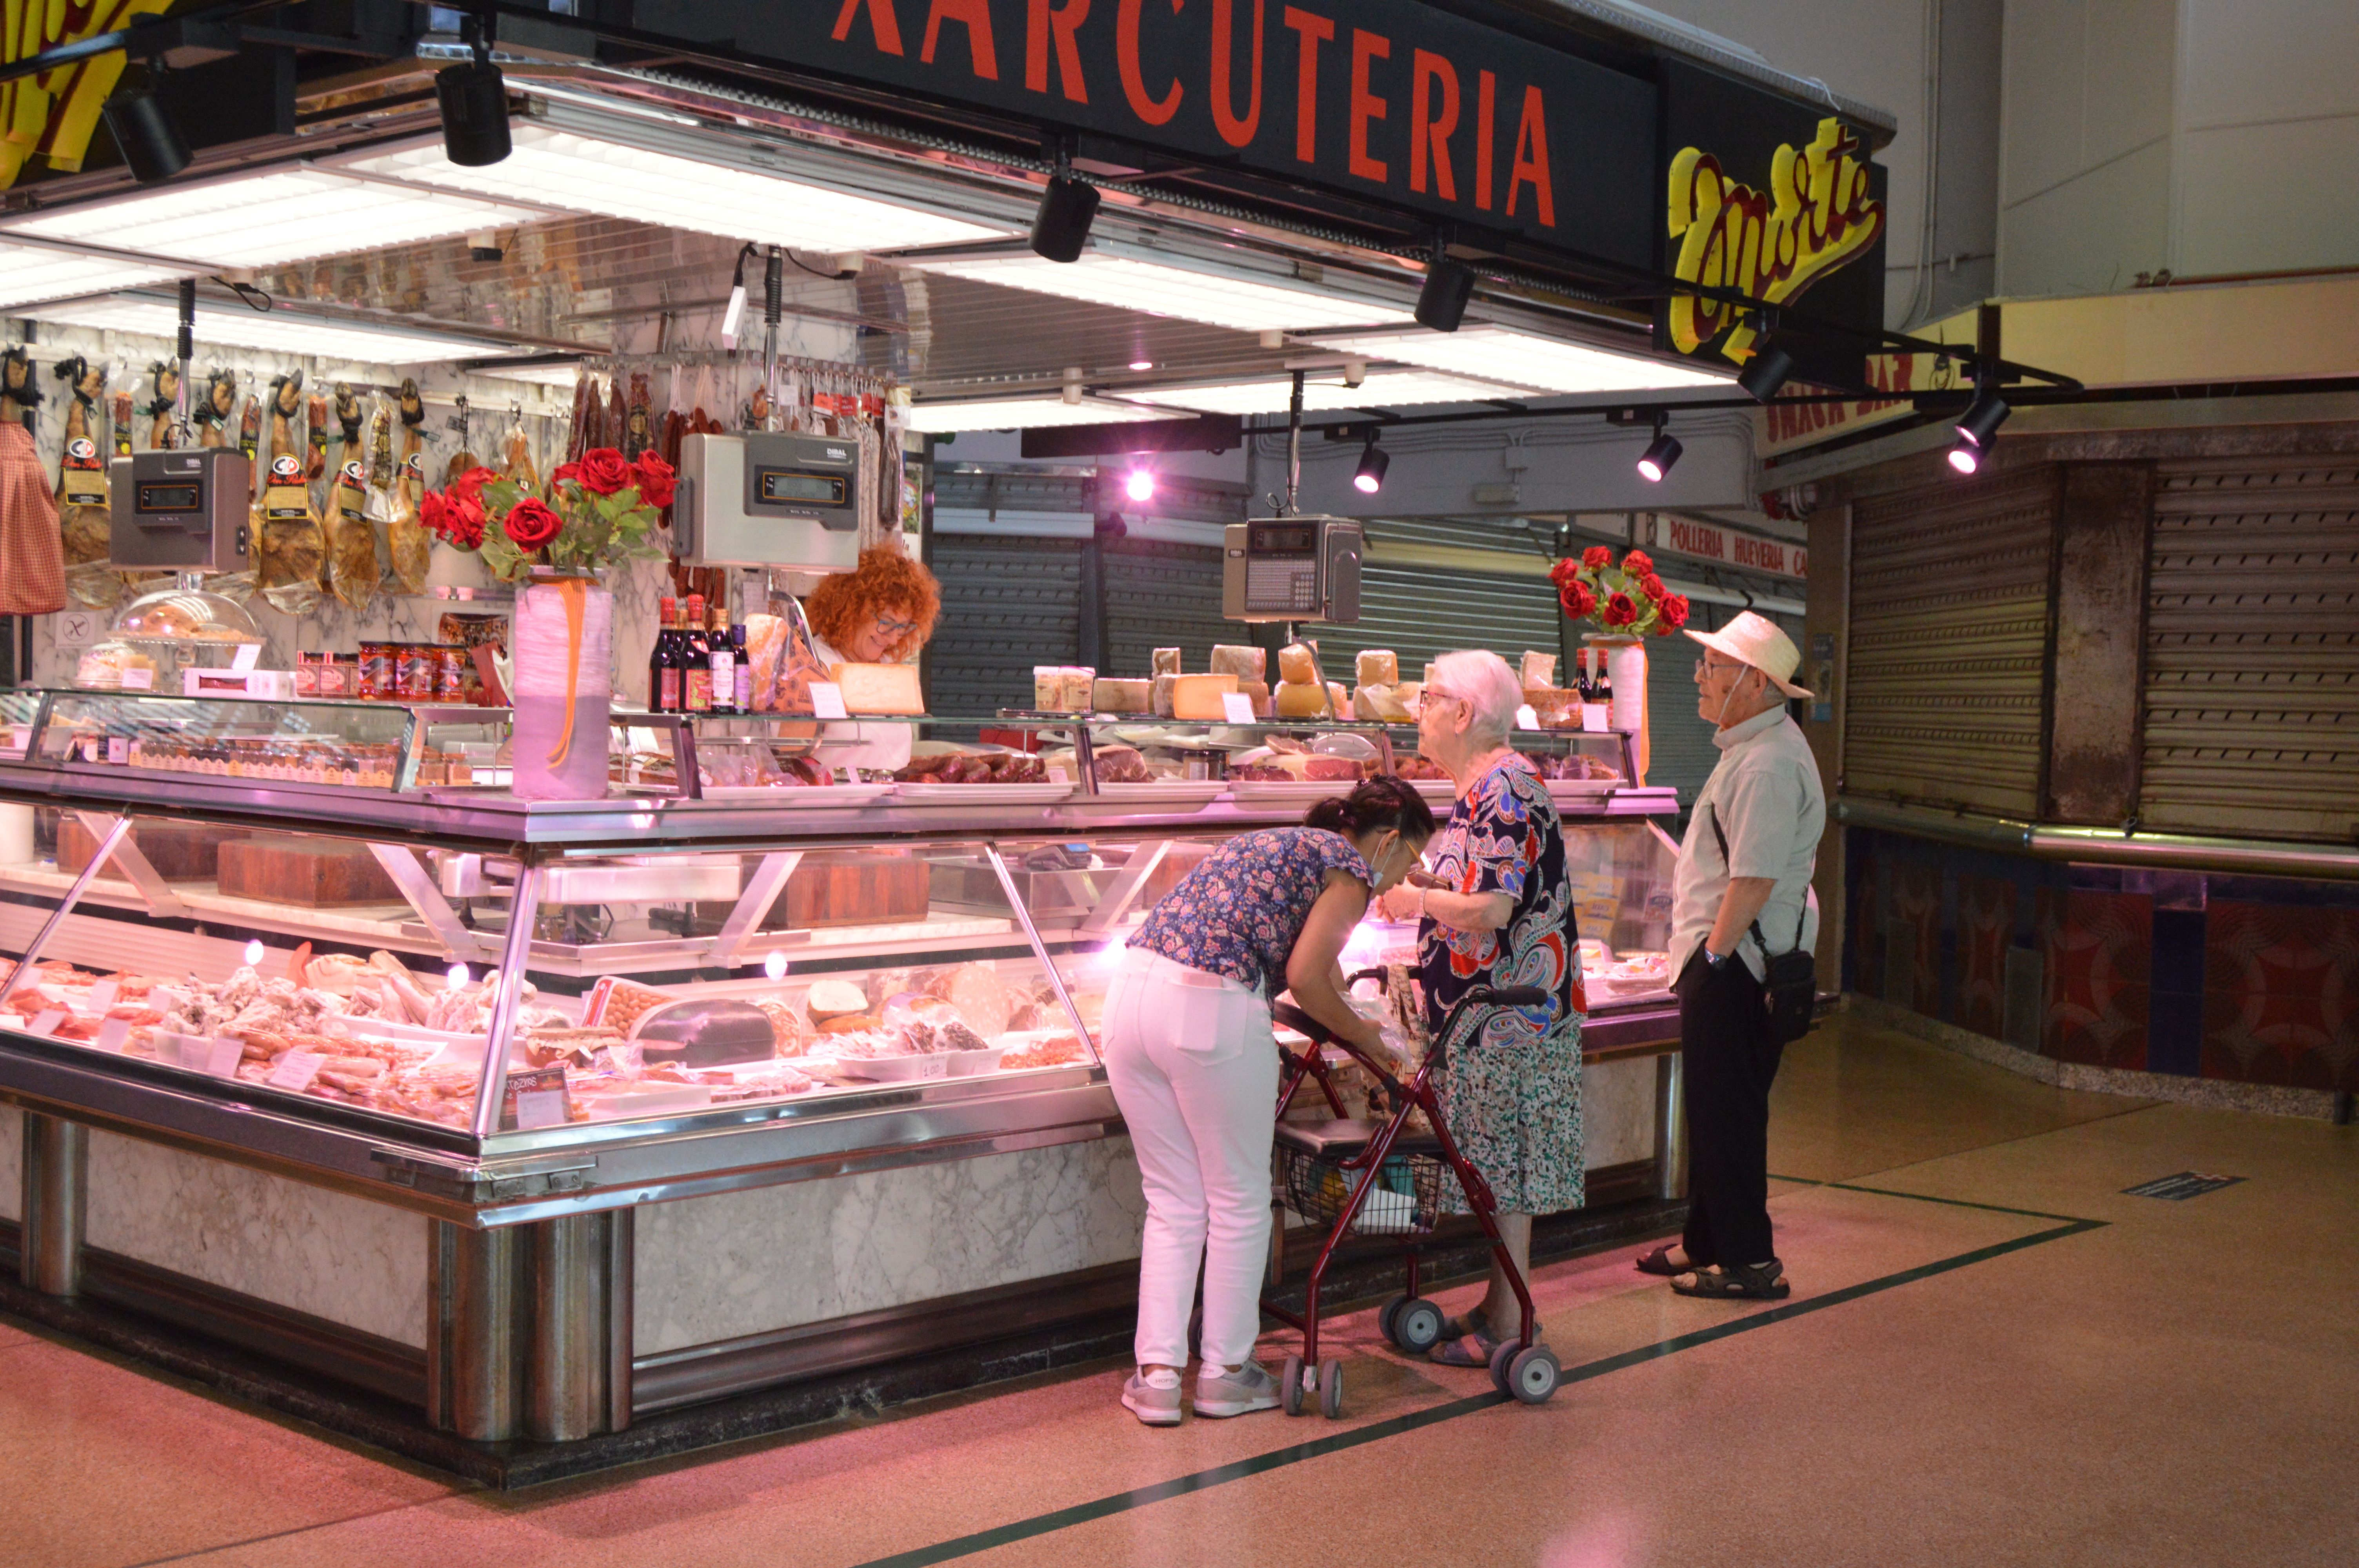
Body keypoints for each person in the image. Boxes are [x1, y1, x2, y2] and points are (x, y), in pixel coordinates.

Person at [1107, 778, 1436, 1426]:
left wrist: (1345, 1007)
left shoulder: (1282, 843)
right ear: (1390, 841)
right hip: (1207, 1011)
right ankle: (1227, 1374)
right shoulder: (1348, 869)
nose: (1407, 876)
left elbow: (1317, 967)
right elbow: (1308, 980)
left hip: (1128, 1002)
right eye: (1411, 860)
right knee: (1237, 1199)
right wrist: (1379, 1041)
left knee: (1173, 1199)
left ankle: (1157, 1377)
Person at [1376, 650, 1583, 1367]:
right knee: (1495, 1172)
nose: (1417, 710)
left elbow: (1493, 908)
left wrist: (1414, 899)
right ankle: (1498, 1307)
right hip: (1484, 1022)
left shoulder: (1506, 789)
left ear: (1463, 713)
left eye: (1428, 697)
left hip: (1511, 1019)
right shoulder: (1480, 789)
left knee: (1509, 1171)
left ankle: (1509, 1324)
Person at [1635, 610, 1824, 1301]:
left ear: (1754, 682)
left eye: (1712, 667)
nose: (1698, 676)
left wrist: (1711, 961)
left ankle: (1749, 1262)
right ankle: (1704, 1242)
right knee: (1715, 1112)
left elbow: (1752, 878)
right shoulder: (1753, 750)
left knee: (1732, 1117)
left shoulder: (1769, 764)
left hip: (1740, 966)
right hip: (1728, 959)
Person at [800, 546, 941, 772]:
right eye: (886, 622)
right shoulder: (814, 665)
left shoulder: (885, 666)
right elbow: (790, 755)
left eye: (903, 628)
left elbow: (886, 756)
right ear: (852, 608)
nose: (894, 639)